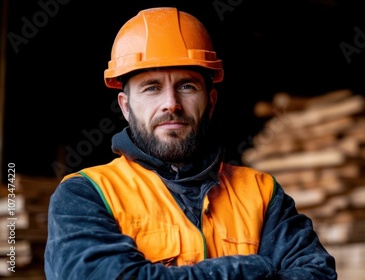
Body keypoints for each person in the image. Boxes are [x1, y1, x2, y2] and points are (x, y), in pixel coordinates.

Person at [44, 7, 337, 280]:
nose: (171, 104)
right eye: (152, 88)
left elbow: (316, 273)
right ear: (125, 106)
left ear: (210, 102)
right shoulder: (84, 194)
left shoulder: (261, 193)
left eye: (186, 86)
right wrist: (246, 270)